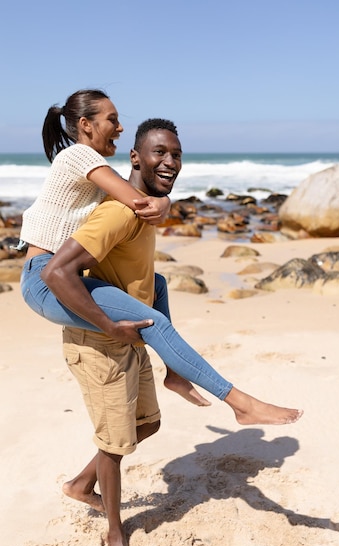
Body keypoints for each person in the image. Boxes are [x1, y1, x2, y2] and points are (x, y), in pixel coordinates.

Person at [40, 119, 303, 546]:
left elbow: (151, 276)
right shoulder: (119, 211)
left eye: (176, 154)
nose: (170, 161)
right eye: (159, 152)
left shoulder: (144, 208)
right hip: (100, 340)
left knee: (146, 426)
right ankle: (116, 532)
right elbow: (57, 272)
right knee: (115, 445)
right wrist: (107, 322)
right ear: (135, 158)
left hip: (128, 335)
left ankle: (80, 486)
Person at [19, 88, 209, 406]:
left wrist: (164, 200)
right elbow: (139, 202)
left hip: (62, 272)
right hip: (45, 275)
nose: (120, 128)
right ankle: (196, 379)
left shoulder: (95, 169)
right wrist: (163, 202)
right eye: (113, 120)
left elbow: (135, 196)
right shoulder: (80, 155)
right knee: (153, 324)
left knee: (156, 284)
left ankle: (175, 371)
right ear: (86, 125)